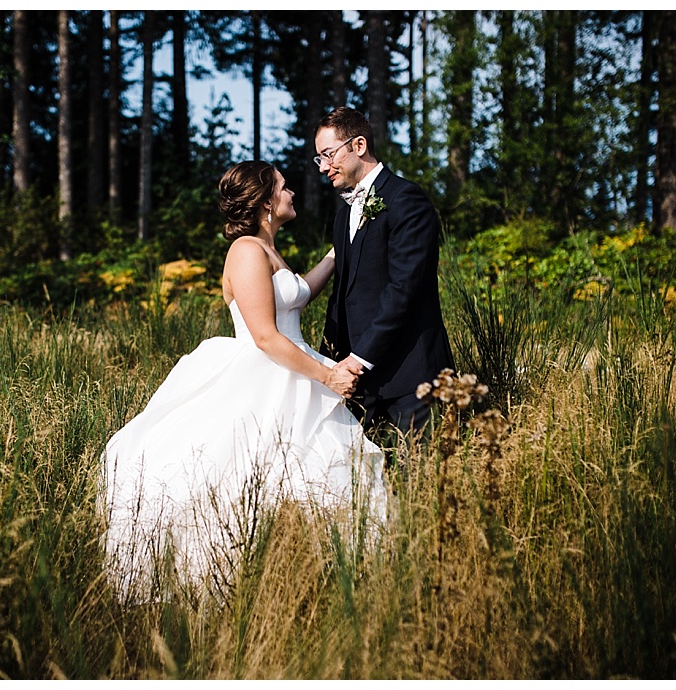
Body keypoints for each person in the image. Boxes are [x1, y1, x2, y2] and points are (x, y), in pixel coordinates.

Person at [103, 160, 386, 599]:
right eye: (283, 186)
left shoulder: (268, 248)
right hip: (267, 373)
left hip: (293, 368)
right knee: (248, 474)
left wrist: (340, 247)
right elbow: (266, 336)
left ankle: (318, 576)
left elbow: (301, 293)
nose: (291, 191)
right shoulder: (246, 251)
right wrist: (327, 376)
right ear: (266, 201)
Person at [314, 106, 455, 445]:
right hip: (360, 386)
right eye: (318, 159)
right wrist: (330, 363)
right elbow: (343, 297)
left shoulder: (407, 199)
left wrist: (357, 361)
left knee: (419, 488)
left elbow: (404, 289)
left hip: (411, 380)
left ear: (358, 145)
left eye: (328, 154)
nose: (323, 167)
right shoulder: (342, 216)